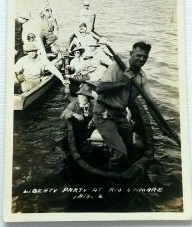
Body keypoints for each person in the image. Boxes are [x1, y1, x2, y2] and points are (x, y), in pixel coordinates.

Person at [93, 41, 153, 172]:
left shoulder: (142, 78)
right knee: (121, 154)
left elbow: (150, 103)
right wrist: (123, 82)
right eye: (138, 55)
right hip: (104, 114)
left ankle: (124, 169)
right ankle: (109, 174)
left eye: (145, 57)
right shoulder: (116, 67)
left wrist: (161, 125)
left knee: (130, 152)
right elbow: (99, 88)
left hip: (121, 115)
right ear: (131, 54)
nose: (142, 59)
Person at [61, 83, 95, 149]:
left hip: (89, 131)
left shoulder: (93, 106)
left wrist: (93, 119)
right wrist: (74, 114)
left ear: (88, 98)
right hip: (77, 131)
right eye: (79, 95)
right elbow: (63, 115)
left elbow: (100, 115)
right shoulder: (74, 104)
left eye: (83, 96)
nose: (79, 97)